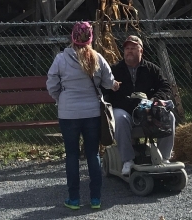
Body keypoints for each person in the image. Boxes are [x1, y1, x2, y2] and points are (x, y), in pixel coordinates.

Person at [46, 21, 120, 211]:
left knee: (71, 155)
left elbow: (51, 84)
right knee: (93, 154)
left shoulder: (61, 59)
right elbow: (108, 82)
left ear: (72, 37)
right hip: (92, 112)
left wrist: (60, 98)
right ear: (90, 38)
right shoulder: (97, 58)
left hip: (68, 113)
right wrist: (114, 86)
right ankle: (95, 198)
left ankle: (74, 199)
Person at [105, 35, 175, 176]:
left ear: (141, 51)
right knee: (119, 118)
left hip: (148, 110)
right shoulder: (114, 70)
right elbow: (104, 90)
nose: (129, 51)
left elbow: (165, 86)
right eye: (127, 48)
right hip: (124, 109)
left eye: (133, 48)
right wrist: (117, 95)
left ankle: (164, 157)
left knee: (170, 116)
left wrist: (155, 99)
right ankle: (127, 161)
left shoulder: (152, 69)